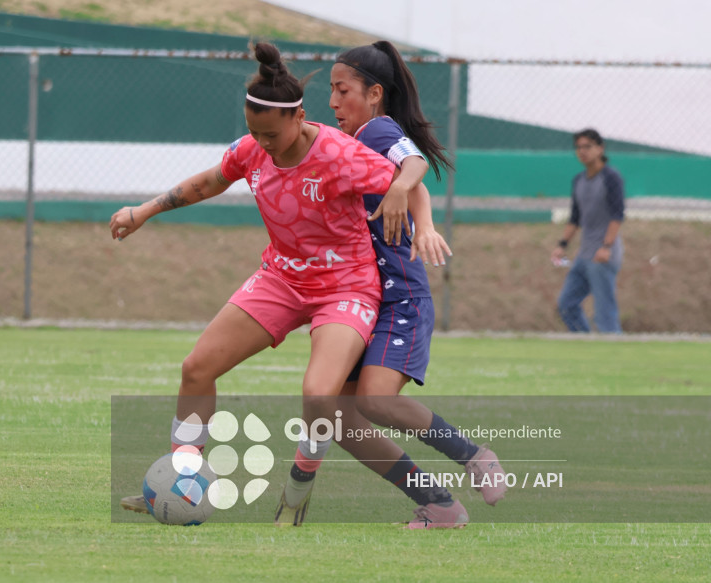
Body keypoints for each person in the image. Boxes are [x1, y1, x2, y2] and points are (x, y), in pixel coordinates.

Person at [112, 42, 447, 523]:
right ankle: (181, 481)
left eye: (270, 134)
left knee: (319, 394)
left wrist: (410, 206)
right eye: (254, 133)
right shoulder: (252, 150)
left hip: (345, 286)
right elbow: (209, 181)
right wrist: (143, 211)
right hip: (282, 279)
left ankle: (297, 491)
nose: (262, 144)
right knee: (197, 368)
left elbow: (411, 178)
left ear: (299, 118)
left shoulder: (340, 153)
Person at [274, 41, 506, 530]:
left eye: (343, 90)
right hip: (360, 298)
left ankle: (473, 456)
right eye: (331, 91)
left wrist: (419, 218)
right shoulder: (345, 144)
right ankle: (439, 505)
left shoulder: (377, 131)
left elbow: (413, 167)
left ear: (374, 94)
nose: (333, 102)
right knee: (340, 419)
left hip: (400, 298)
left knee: (375, 401)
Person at [551, 128, 625, 333]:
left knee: (604, 313)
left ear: (600, 149)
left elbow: (617, 216)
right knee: (566, 305)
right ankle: (585, 342)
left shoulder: (611, 178)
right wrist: (562, 245)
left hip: (602, 256)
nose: (582, 151)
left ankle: (614, 347)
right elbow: (575, 218)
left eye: (587, 147)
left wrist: (606, 247)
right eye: (579, 147)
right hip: (584, 255)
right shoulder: (579, 180)